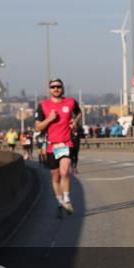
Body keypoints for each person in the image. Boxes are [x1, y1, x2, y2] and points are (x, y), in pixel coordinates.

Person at [35, 79, 82, 216]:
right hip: (51, 146)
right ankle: (60, 202)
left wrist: (75, 122)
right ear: (49, 89)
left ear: (63, 88)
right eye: (53, 87)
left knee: (64, 171)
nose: (56, 89)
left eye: (58, 86)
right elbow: (38, 126)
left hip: (66, 143)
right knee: (55, 177)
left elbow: (79, 113)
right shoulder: (43, 105)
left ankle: (67, 200)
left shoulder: (71, 102)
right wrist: (49, 119)